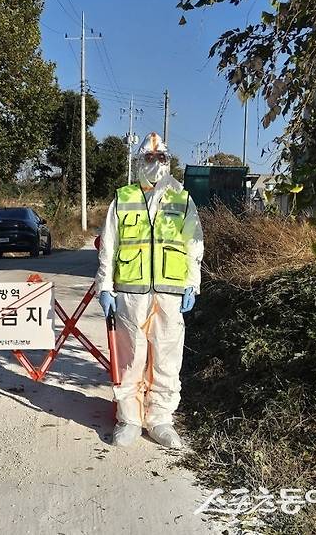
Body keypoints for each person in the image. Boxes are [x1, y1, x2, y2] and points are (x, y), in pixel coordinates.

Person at [96, 132, 204, 449]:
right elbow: (109, 246)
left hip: (170, 294)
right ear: (138, 161)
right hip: (131, 293)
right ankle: (129, 419)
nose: (155, 163)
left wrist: (192, 284)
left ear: (168, 162)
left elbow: (194, 245)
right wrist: (105, 286)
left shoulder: (182, 199)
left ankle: (160, 420)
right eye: (148, 158)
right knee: (131, 358)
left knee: (167, 359)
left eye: (160, 158)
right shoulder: (124, 198)